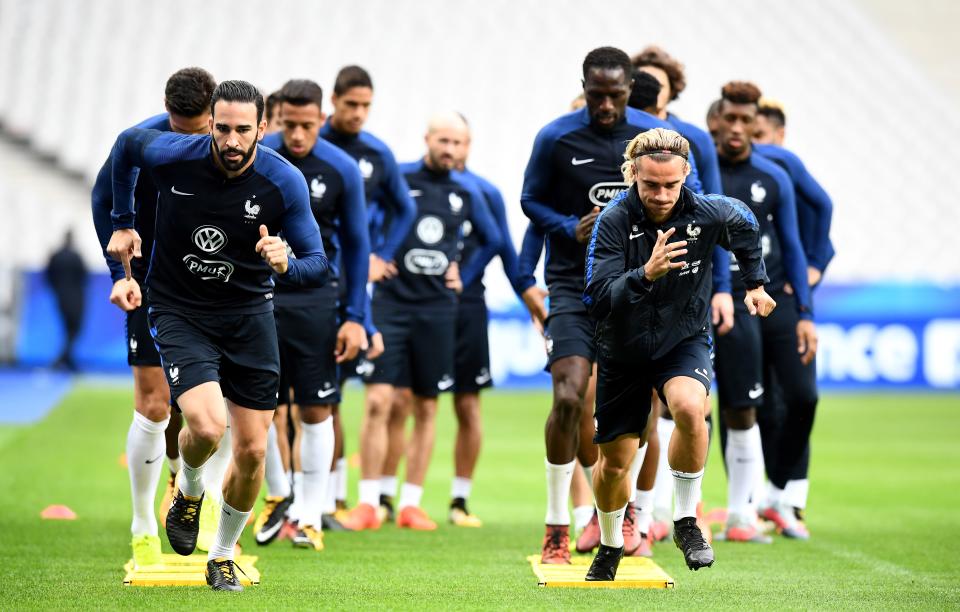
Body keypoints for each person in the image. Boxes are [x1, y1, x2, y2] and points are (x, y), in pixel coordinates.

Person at [105, 80, 328, 591]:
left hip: (249, 317)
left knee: (252, 451)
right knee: (206, 427)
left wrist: (286, 263)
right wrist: (122, 222)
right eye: (222, 128)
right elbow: (125, 147)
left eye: (242, 130)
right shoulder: (172, 154)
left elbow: (318, 264)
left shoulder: (283, 181)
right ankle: (188, 490)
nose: (230, 140)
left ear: (261, 130)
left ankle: (223, 554)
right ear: (209, 124)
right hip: (180, 309)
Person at [521, 46, 704, 564]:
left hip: (642, 290)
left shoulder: (652, 140)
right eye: (596, 95)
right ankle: (558, 522)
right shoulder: (556, 137)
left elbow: (697, 203)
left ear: (629, 88)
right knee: (568, 394)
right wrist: (566, 226)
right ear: (584, 85)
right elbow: (530, 201)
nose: (605, 105)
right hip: (572, 284)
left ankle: (632, 515)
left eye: (615, 95)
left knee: (643, 403)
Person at [582, 127, 775, 579]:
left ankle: (686, 520)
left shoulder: (708, 213)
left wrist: (756, 283)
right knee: (615, 463)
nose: (662, 194)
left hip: (682, 338)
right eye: (651, 185)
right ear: (633, 174)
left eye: (672, 184)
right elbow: (595, 296)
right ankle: (611, 544)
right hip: (623, 348)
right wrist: (645, 274)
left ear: (686, 173)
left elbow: (744, 223)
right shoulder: (613, 221)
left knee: (691, 408)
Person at [342, 112, 501, 531]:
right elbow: (361, 217)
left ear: (467, 147)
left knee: (425, 406)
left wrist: (462, 275)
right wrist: (375, 255)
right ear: (427, 138)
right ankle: (368, 503)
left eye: (458, 143)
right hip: (391, 306)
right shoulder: (400, 178)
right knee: (379, 401)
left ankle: (411, 503)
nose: (449, 149)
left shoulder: (467, 192)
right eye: (443, 140)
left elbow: (492, 240)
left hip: (437, 310)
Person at [90, 67, 217, 567]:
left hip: (209, 284)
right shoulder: (140, 143)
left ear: (213, 115)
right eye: (177, 128)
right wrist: (118, 274)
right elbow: (104, 199)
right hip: (150, 283)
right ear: (167, 111)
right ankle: (143, 525)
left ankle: (196, 501)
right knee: (154, 403)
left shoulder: (227, 148)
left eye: (197, 130)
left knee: (215, 404)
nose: (185, 140)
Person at [258, 79, 369, 551]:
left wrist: (357, 317)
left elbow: (360, 245)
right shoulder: (258, 158)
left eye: (308, 124)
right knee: (257, 407)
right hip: (258, 298)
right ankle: (277, 496)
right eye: (290, 124)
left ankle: (309, 514)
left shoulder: (341, 168)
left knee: (315, 407)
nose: (298, 134)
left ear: (322, 119)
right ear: (276, 118)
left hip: (316, 299)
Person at [631, 45, 733, 545]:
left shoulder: (694, 143)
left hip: (687, 298)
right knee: (640, 411)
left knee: (688, 407)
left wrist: (728, 288)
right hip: (630, 303)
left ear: (670, 94)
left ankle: (675, 516)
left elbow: (717, 219)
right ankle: (639, 515)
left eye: (655, 90)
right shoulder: (617, 147)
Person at [713, 81, 818, 543]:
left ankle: (768, 499)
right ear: (716, 119)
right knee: (721, 404)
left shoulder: (774, 176)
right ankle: (735, 507)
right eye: (729, 118)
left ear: (757, 122)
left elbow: (793, 243)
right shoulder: (698, 171)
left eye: (745, 119)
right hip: (715, 298)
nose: (737, 127)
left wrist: (807, 310)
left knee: (782, 399)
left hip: (764, 299)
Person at [319, 65, 417, 520]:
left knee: (355, 394)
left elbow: (405, 209)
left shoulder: (377, 154)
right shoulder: (309, 146)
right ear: (334, 101)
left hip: (357, 285)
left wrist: (381, 253)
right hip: (310, 279)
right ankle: (320, 495)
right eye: (350, 104)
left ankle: (339, 496)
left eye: (365, 106)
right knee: (320, 396)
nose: (357, 113)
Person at [751, 98, 834, 535]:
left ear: (779, 136)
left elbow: (822, 221)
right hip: (749, 299)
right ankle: (757, 501)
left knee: (800, 397)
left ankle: (788, 496)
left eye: (759, 135)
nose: (752, 144)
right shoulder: (740, 177)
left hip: (788, 299)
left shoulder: (786, 176)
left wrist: (811, 275)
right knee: (755, 403)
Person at [45, 231, 87, 371]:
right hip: (76, 297)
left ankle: (67, 359)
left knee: (67, 328)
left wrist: (56, 290)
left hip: (60, 297)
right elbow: (84, 276)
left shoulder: (55, 255)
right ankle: (62, 359)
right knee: (75, 328)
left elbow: (48, 276)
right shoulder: (76, 256)